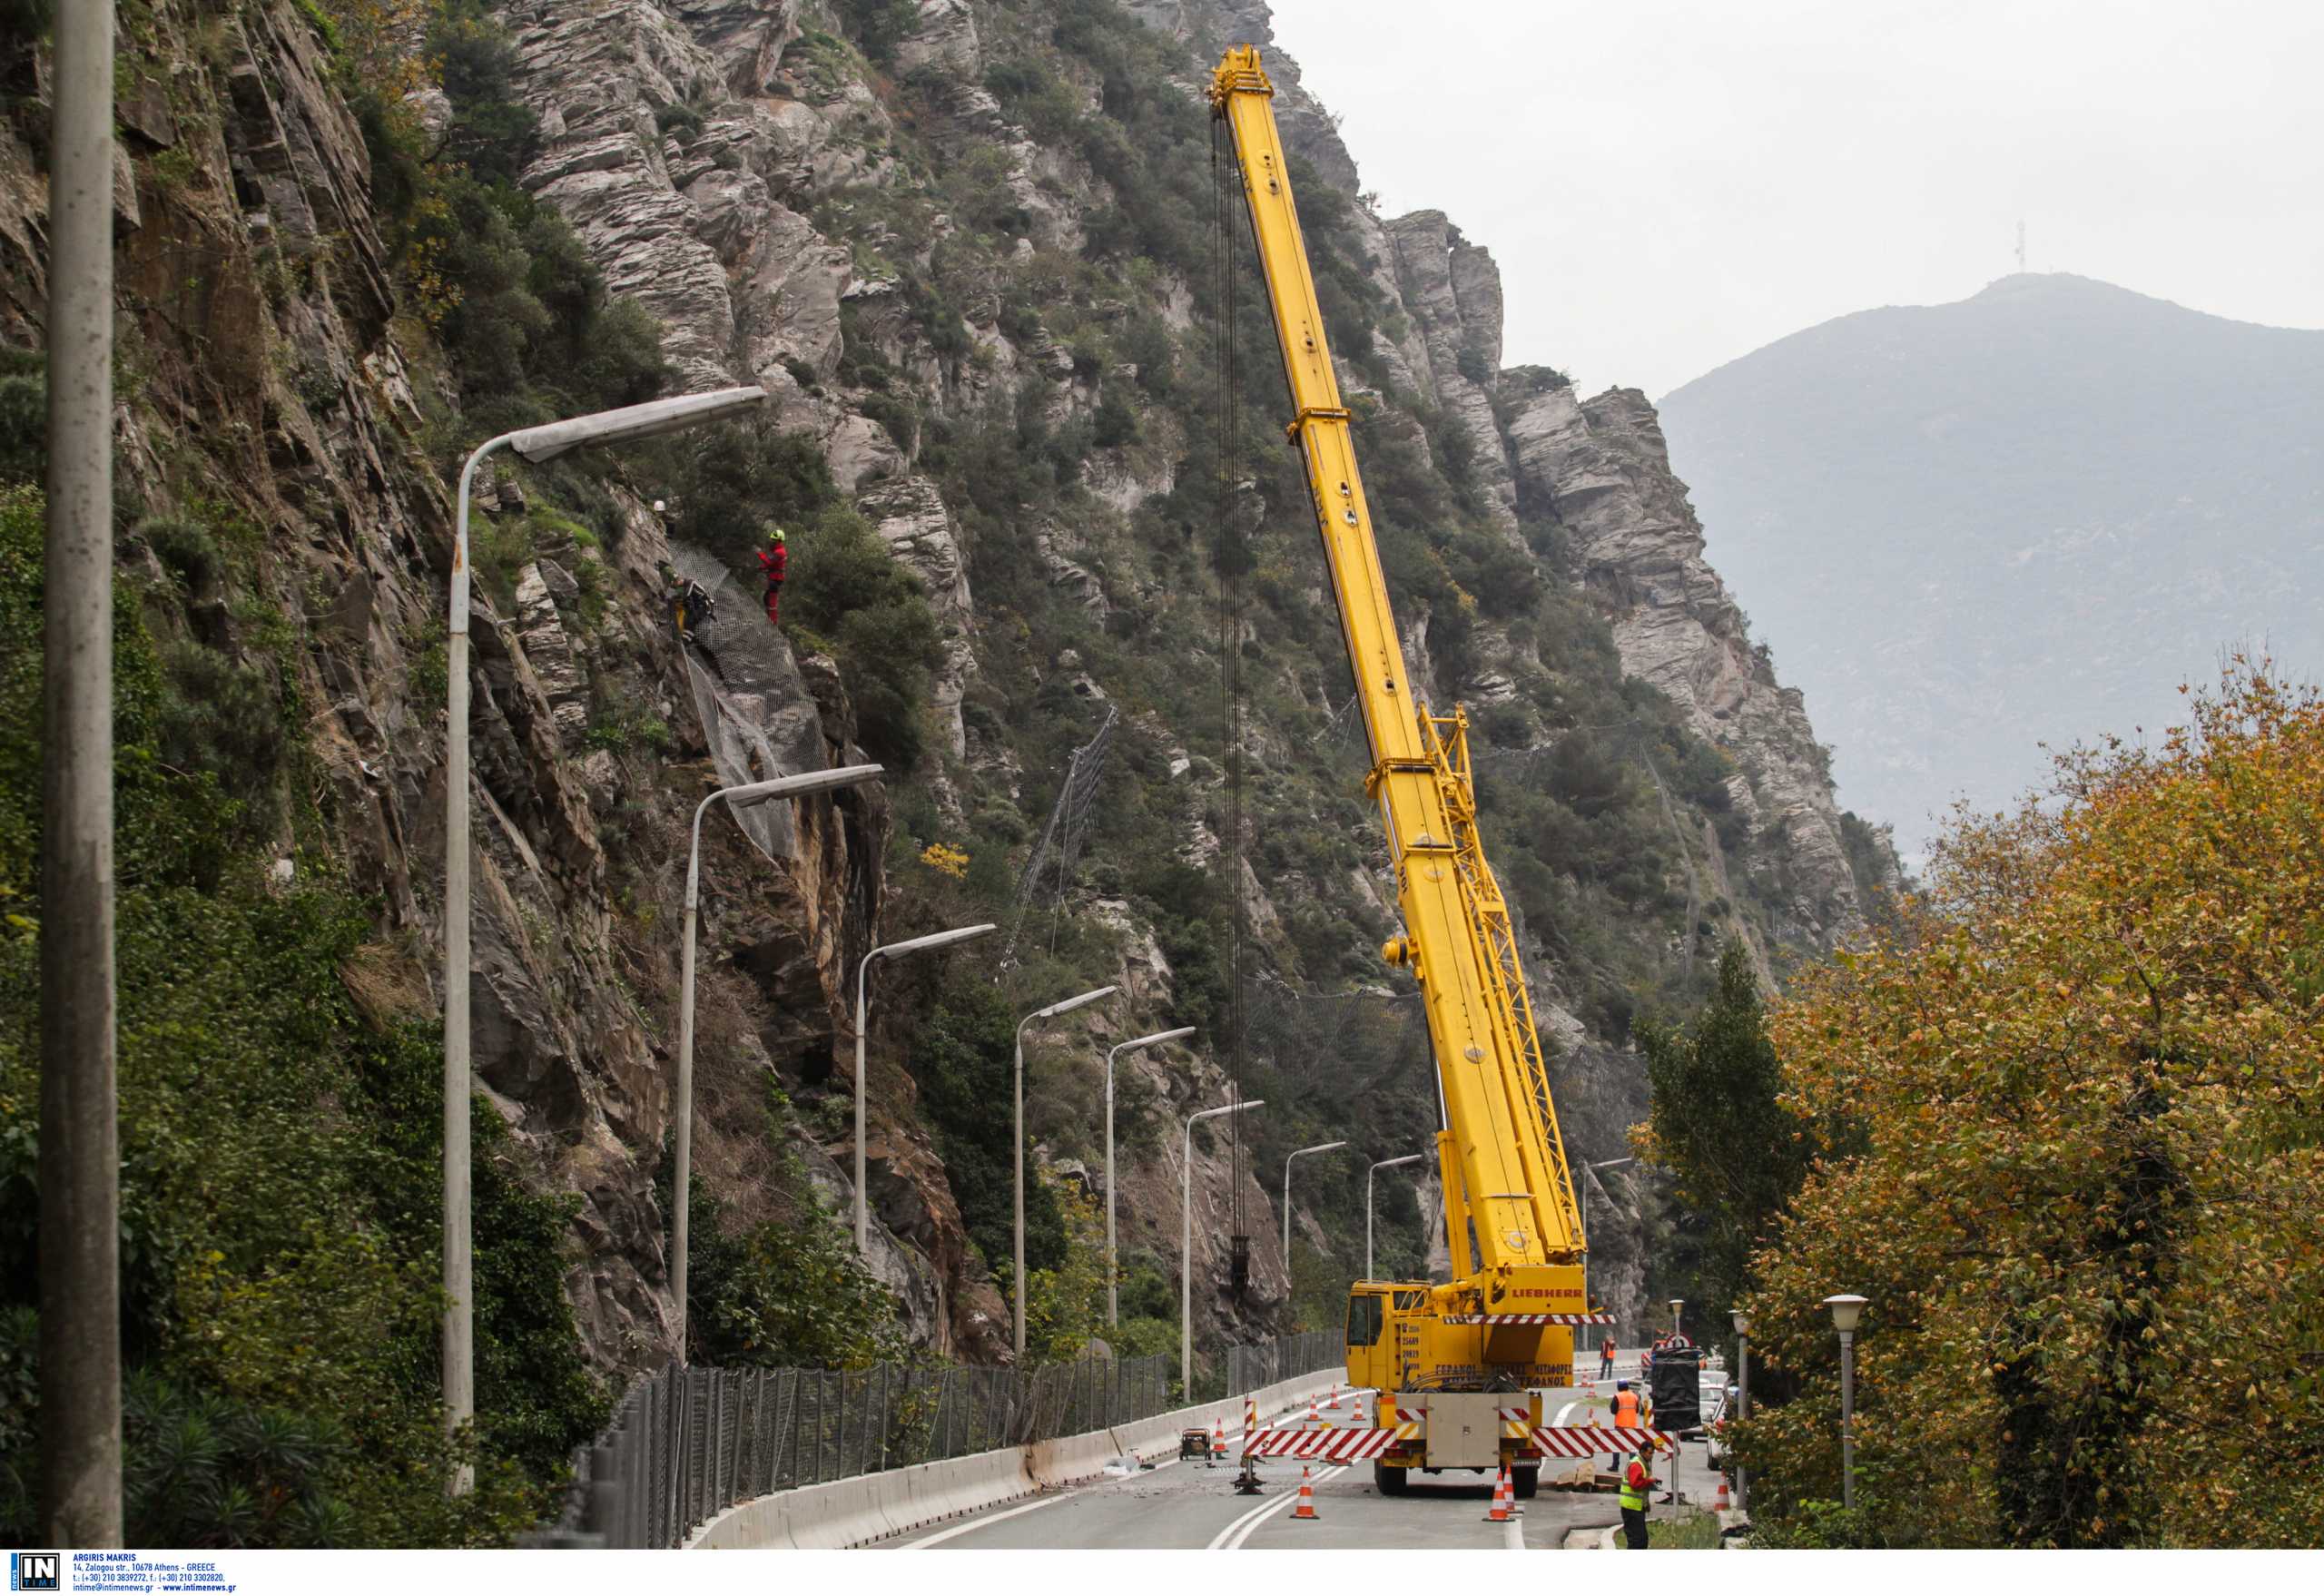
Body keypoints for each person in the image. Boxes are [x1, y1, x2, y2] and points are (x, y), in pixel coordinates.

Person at [1620, 1442, 1658, 1549]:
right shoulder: (1636, 1464)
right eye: (1650, 1453)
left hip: (1636, 1507)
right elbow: (1635, 1485)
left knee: (1642, 1539)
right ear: (1642, 1452)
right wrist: (1649, 1481)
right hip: (1631, 1508)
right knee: (1637, 1541)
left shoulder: (1642, 1463)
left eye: (1653, 1453)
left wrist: (1646, 1504)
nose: (1651, 1456)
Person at [757, 526, 787, 626]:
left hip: (776, 579)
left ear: (779, 540)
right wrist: (762, 567)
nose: (771, 541)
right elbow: (773, 564)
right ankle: (769, 619)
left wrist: (760, 553)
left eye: (773, 540)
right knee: (766, 598)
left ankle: (772, 624)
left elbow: (769, 562)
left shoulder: (779, 552)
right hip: (775, 578)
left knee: (771, 602)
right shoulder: (777, 550)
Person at [1609, 1378, 1640, 1470]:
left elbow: (1613, 1411)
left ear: (1618, 1387)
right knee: (1631, 1447)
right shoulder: (1634, 1396)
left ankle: (1615, 1465)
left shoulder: (1618, 1396)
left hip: (1620, 1424)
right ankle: (1634, 1467)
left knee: (1616, 1445)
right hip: (1632, 1425)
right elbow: (1637, 1410)